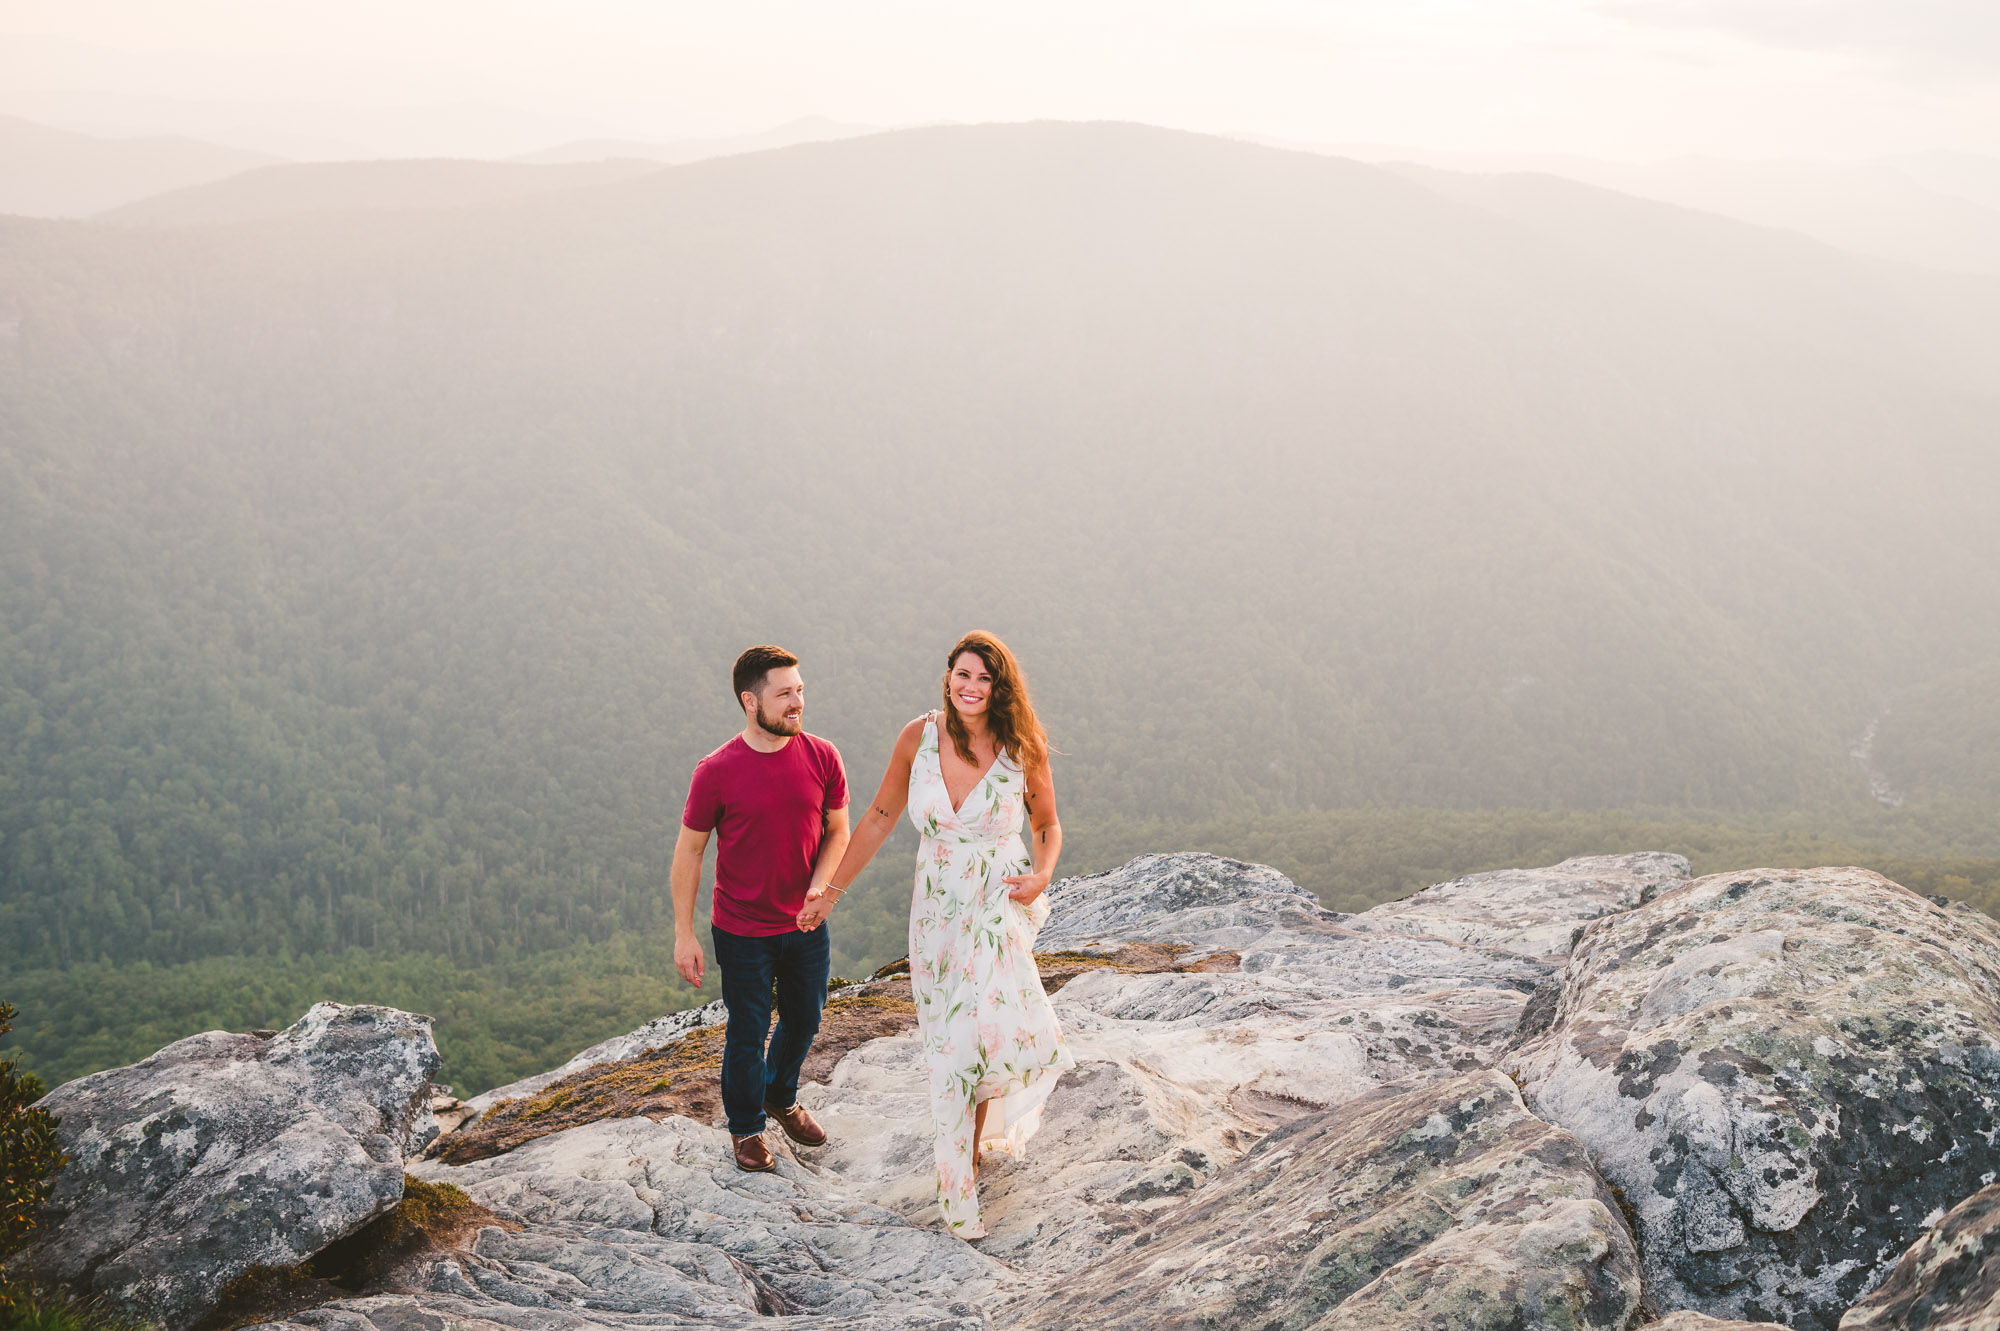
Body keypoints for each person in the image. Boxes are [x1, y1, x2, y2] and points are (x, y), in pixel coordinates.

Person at [803, 630, 1073, 1239]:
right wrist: (831, 892)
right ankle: (969, 1149)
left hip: (997, 902)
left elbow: (1048, 824)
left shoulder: (1020, 746)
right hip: (935, 912)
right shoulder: (917, 737)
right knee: (952, 1039)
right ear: (947, 677)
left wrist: (1043, 874)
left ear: (999, 688)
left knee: (969, 1037)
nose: (972, 687)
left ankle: (959, 1182)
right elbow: (877, 818)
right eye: (964, 675)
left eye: (985, 679)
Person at [672, 644, 851, 1172]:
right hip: (743, 929)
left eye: (799, 691)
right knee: (748, 1032)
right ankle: (746, 1128)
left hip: (806, 921)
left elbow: (838, 831)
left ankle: (781, 1094)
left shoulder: (823, 755)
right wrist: (685, 934)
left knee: (805, 1019)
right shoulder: (716, 771)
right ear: (751, 701)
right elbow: (690, 851)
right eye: (784, 694)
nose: (797, 702)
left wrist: (820, 891)